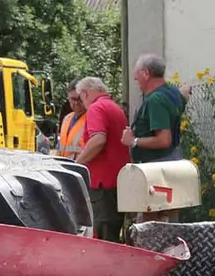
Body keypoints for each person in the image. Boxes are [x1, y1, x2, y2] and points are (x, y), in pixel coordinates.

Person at [120, 53, 188, 224]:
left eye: (137, 77)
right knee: (169, 219)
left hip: (157, 169)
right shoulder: (172, 92)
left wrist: (133, 141)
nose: (137, 81)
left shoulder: (155, 100)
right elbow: (183, 97)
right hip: (172, 163)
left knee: (149, 224)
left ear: (146, 73)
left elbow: (164, 139)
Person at [73, 76, 129, 241]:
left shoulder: (96, 108)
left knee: (104, 234)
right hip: (118, 180)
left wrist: (77, 164)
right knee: (113, 229)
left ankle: (109, 266)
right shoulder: (114, 107)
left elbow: (98, 139)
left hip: (102, 182)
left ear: (85, 93)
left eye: (81, 98)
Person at [55, 83, 86, 161]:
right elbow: (60, 147)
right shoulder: (67, 118)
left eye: (79, 99)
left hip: (80, 167)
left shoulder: (91, 118)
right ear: (68, 98)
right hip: (64, 166)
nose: (76, 103)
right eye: (73, 99)